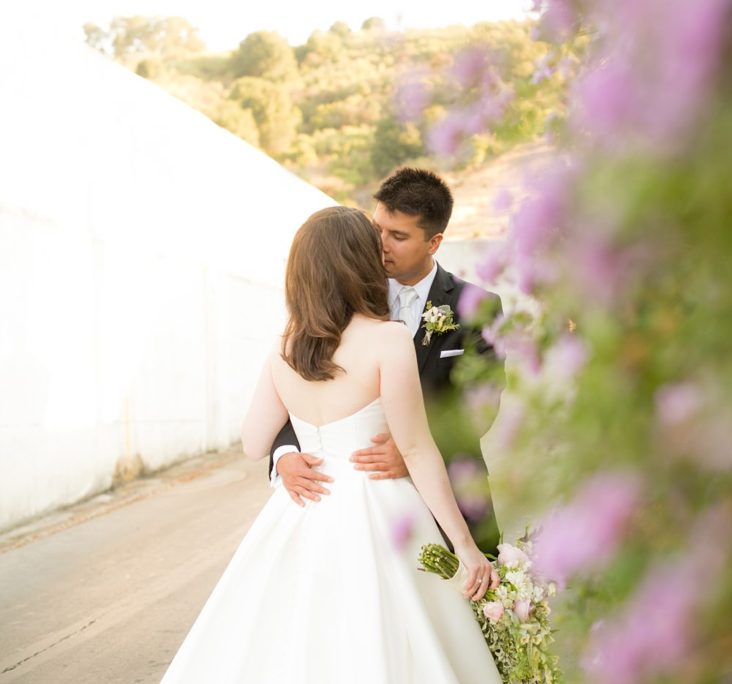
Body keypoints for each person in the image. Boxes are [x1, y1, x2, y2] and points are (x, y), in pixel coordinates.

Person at [162, 207, 502, 683]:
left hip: (303, 507)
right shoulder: (388, 340)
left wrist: (290, 452)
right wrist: (465, 548)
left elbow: (254, 441)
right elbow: (418, 450)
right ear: (361, 263)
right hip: (380, 505)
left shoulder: (286, 346)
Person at [270, 168, 503, 555]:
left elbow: (482, 405)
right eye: (377, 229)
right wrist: (284, 454)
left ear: (434, 242)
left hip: (455, 495)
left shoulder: (477, 307)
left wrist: (413, 448)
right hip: (361, 514)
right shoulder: (337, 301)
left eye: (398, 236)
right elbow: (302, 377)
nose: (381, 245)